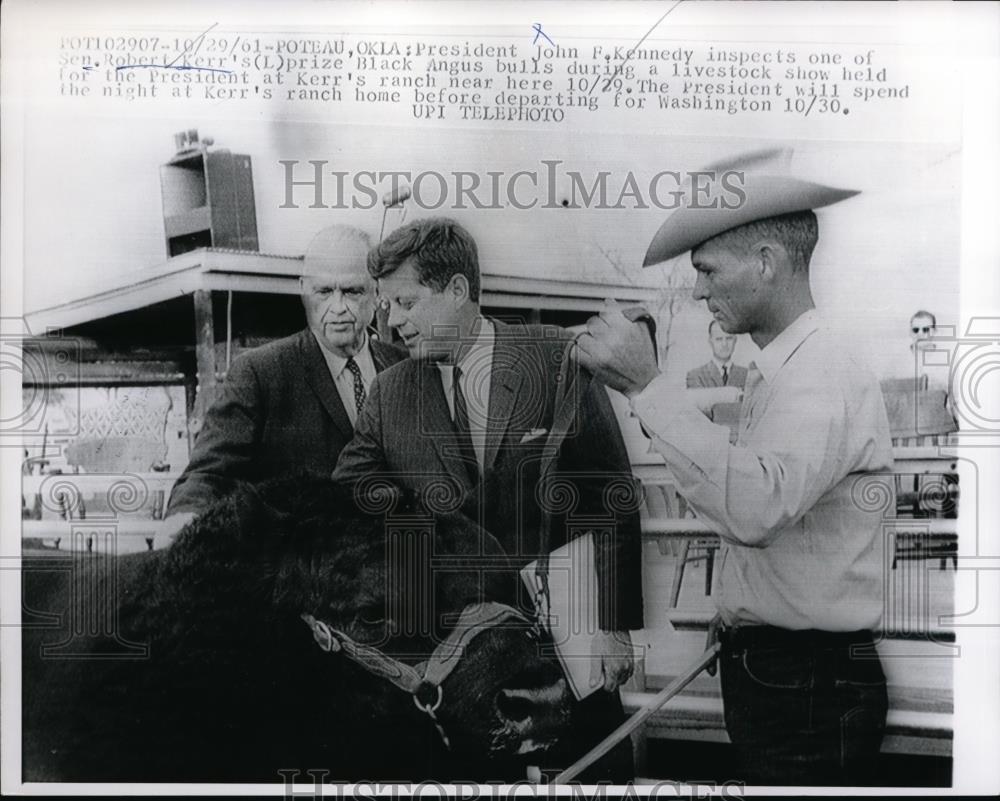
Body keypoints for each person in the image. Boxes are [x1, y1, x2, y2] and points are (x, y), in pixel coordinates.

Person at [576, 158, 893, 786]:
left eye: (707, 271)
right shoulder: (789, 370)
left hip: (803, 683)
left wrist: (648, 387)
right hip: (788, 674)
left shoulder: (821, 372)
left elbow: (754, 506)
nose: (697, 292)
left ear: (767, 262)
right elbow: (764, 499)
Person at [332, 217, 643, 780]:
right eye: (387, 306)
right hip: (463, 671)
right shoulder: (390, 393)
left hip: (570, 646)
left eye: (405, 302)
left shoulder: (555, 360)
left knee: (594, 777)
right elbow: (347, 500)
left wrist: (616, 625)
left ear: (457, 290)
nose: (392, 322)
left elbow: (610, 495)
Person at [159, 225, 406, 545]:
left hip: (395, 566)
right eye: (323, 292)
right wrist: (184, 519)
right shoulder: (262, 374)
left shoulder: (404, 369)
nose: (338, 307)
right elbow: (210, 472)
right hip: (305, 579)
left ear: (376, 291)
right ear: (303, 290)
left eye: (352, 291)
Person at [686, 320, 747, 389]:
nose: (724, 344)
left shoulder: (747, 375)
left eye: (729, 338)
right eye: (719, 339)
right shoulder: (696, 376)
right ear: (710, 341)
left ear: (735, 340)